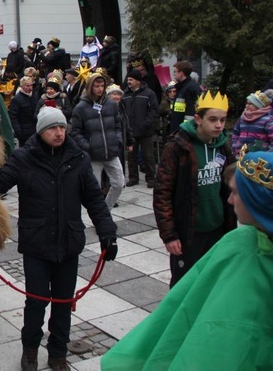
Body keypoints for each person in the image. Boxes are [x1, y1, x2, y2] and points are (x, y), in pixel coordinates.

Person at [0, 107, 118, 371]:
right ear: (40, 131)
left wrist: (107, 233)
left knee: (63, 303)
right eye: (52, 128)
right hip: (37, 244)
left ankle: (58, 353)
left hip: (68, 244)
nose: (58, 133)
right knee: (35, 302)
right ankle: (30, 351)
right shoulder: (25, 158)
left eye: (61, 127)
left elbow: (93, 198)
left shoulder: (77, 158)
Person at [102, 146, 273, 369]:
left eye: (236, 192)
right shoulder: (237, 243)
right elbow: (180, 309)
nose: (230, 200)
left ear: (259, 202)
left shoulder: (240, 244)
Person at [153, 91, 236, 287]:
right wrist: (169, 234)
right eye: (213, 119)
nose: (219, 125)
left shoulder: (223, 146)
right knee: (184, 285)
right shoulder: (177, 147)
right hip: (188, 233)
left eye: (223, 120)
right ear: (198, 118)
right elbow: (162, 193)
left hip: (217, 229)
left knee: (213, 282)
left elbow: (230, 188)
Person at [70, 70, 128, 208]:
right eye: (96, 86)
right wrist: (87, 146)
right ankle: (99, 216)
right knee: (94, 189)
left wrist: (117, 140)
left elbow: (118, 125)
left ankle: (105, 211)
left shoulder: (111, 104)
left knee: (119, 183)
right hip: (94, 155)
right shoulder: (81, 107)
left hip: (111, 152)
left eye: (102, 85)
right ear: (90, 87)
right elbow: (76, 132)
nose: (100, 89)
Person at [122, 69, 159, 188]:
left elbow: (154, 111)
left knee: (148, 156)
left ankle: (151, 178)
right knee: (131, 157)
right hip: (131, 131)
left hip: (145, 131)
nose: (128, 81)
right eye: (128, 79)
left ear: (138, 81)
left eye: (131, 79)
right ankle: (133, 177)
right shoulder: (125, 94)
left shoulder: (149, 94)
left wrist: (146, 124)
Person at [231, 89, 273, 156]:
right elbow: (235, 133)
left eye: (250, 104)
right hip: (240, 155)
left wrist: (268, 154)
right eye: (247, 103)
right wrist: (235, 146)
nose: (247, 106)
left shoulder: (268, 120)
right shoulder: (242, 118)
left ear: (259, 105)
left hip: (259, 158)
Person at [169, 60, 203, 133]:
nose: (174, 74)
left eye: (175, 71)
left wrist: (186, 130)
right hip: (179, 129)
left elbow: (192, 112)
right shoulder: (181, 88)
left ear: (181, 73)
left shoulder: (191, 88)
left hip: (186, 131)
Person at [8, 76, 39, 147]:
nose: (30, 88)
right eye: (27, 86)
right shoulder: (16, 99)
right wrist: (18, 131)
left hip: (35, 129)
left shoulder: (35, 96)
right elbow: (13, 116)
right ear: (22, 86)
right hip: (23, 131)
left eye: (31, 85)